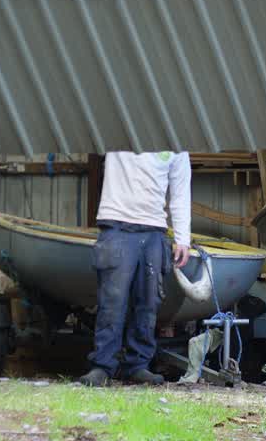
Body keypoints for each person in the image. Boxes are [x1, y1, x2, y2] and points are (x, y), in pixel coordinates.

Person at [78, 151, 191, 386]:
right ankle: (103, 365)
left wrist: (183, 238)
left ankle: (138, 365)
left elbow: (180, 192)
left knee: (148, 303)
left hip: (154, 230)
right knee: (112, 301)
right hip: (116, 224)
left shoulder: (177, 146)